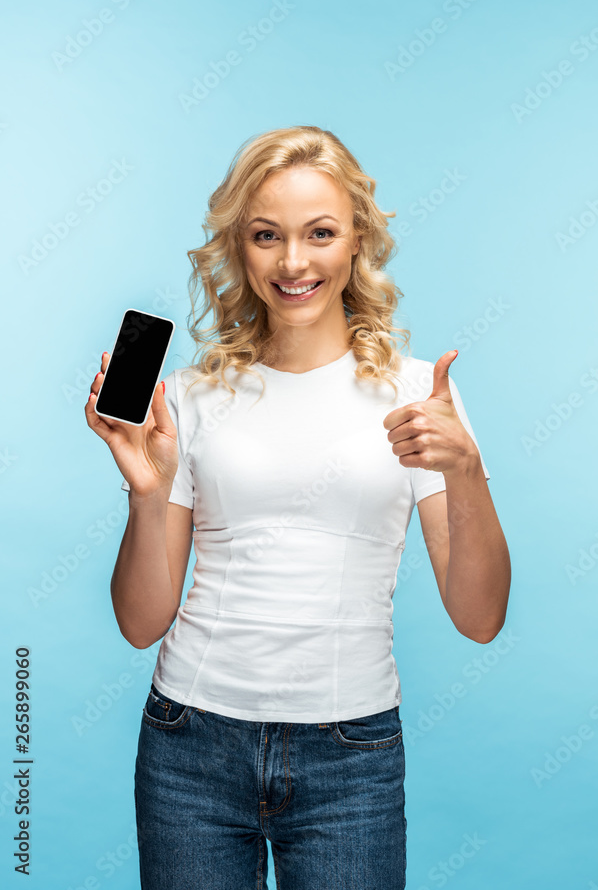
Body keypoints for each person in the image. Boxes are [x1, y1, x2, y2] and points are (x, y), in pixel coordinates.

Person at [84, 125, 511, 890]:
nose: (292, 262)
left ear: (356, 244)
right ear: (238, 249)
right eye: (265, 235)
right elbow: (140, 621)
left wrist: (468, 471)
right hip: (189, 747)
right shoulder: (189, 397)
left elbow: (479, 617)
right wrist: (148, 495)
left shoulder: (420, 398)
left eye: (319, 234)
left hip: (351, 757)